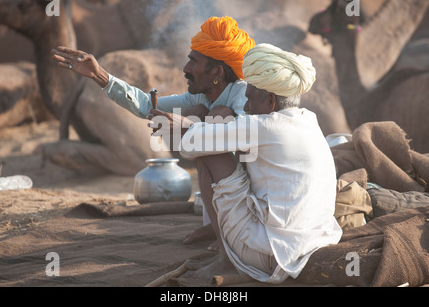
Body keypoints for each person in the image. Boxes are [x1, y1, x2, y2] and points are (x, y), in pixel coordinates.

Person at [51, 16, 255, 249]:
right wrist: (100, 75)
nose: (186, 69)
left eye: (193, 62)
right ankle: (217, 224)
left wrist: (186, 125)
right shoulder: (201, 96)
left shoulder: (242, 94)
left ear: (217, 72)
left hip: (255, 195)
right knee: (200, 114)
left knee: (217, 117)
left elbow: (244, 138)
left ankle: (229, 233)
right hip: (230, 188)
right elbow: (145, 106)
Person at [178, 43, 342, 283]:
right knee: (222, 134)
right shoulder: (309, 120)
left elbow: (189, 146)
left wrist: (185, 124)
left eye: (250, 98)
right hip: (312, 244)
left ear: (271, 101)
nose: (245, 107)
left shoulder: (263, 126)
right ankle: (224, 244)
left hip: (270, 254)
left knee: (210, 144)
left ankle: (226, 257)